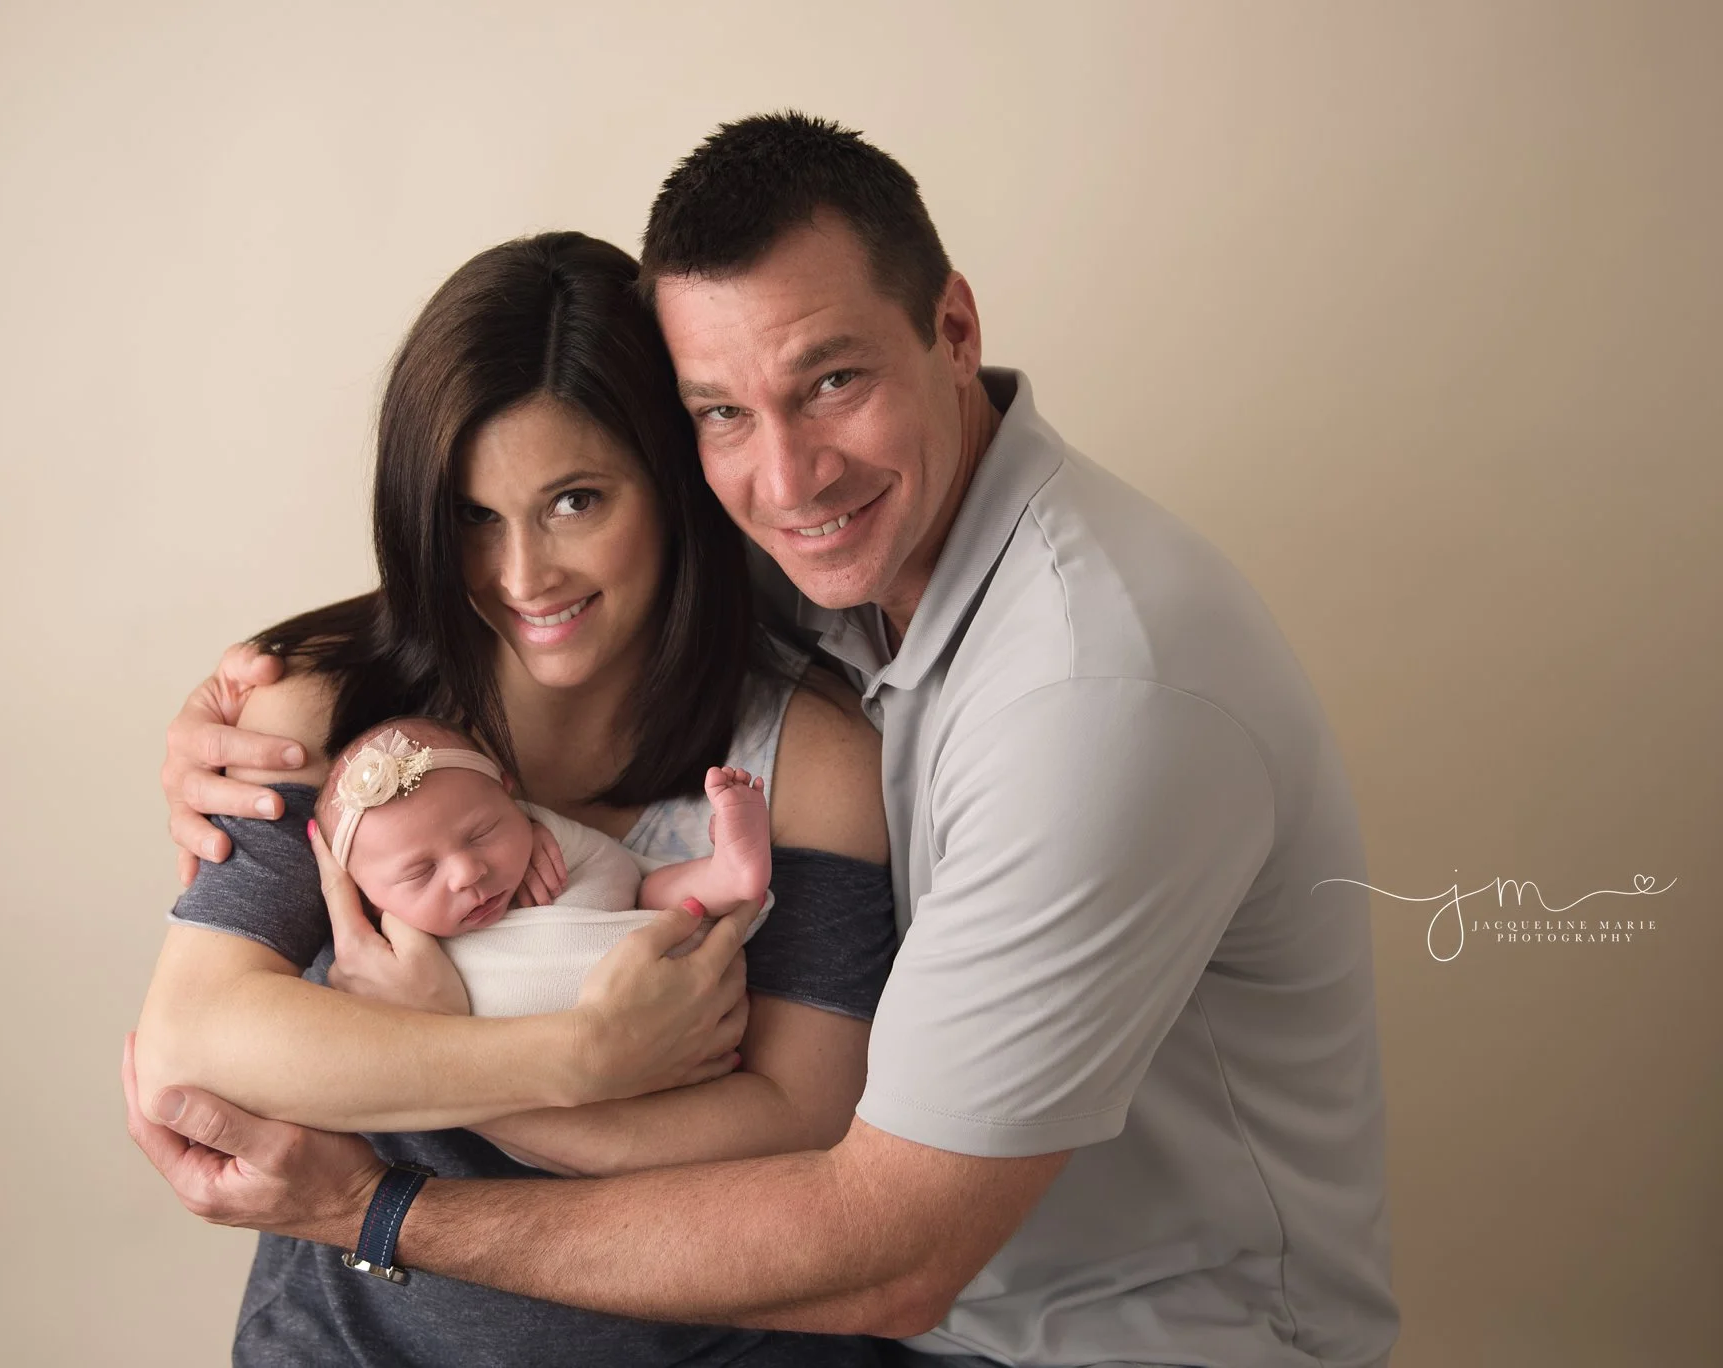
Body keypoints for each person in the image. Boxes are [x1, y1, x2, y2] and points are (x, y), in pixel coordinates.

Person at [131, 113, 1400, 1368]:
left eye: (832, 381)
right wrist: (264, 692)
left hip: (1105, 1338)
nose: (787, 480)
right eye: (722, 411)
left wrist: (380, 1202)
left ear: (954, 331)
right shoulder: (807, 556)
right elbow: (544, 591)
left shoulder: (1086, 701)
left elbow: (871, 1226)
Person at [132, 229, 897, 1366]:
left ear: (671, 483)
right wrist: (578, 1060)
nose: (523, 575)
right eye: (472, 517)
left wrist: (456, 1075)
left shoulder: (807, 761)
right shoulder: (324, 716)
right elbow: (196, 1040)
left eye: (575, 501)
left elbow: (803, 1128)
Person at [312, 714, 775, 1017]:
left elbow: (620, 874)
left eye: (481, 833)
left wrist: (532, 826)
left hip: (654, 936)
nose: (467, 872)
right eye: (420, 872)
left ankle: (725, 874)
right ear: (367, 900)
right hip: (581, 1043)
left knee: (657, 892)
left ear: (509, 793)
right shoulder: (388, 959)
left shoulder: (536, 837)